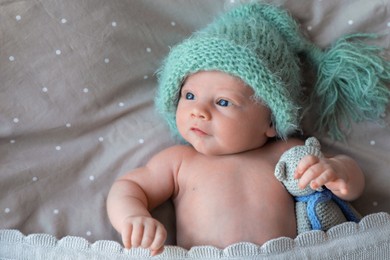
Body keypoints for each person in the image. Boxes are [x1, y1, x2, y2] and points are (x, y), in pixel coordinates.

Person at [106, 2, 390, 256]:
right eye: (189, 95)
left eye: (223, 102)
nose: (198, 110)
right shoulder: (179, 161)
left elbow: (351, 181)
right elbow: (129, 187)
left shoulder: (285, 153)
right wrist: (132, 218)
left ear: (270, 122)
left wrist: (338, 172)